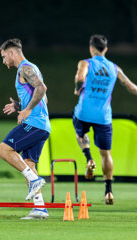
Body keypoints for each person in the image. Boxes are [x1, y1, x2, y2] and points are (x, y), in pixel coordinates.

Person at [73, 34, 137, 205]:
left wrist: (77, 89)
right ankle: (109, 192)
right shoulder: (115, 68)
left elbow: (80, 77)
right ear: (106, 49)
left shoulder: (86, 62)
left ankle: (88, 158)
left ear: (91, 48)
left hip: (84, 112)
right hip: (103, 116)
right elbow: (131, 87)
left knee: (80, 134)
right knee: (106, 153)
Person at [0, 38, 51, 219]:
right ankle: (40, 209)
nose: (4, 61)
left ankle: (35, 181)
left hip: (34, 124)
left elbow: (42, 88)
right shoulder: (32, 67)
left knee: (3, 149)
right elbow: (43, 98)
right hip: (42, 125)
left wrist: (26, 110)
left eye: (4, 56)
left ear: (12, 53)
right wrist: (20, 106)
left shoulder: (25, 68)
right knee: (28, 164)